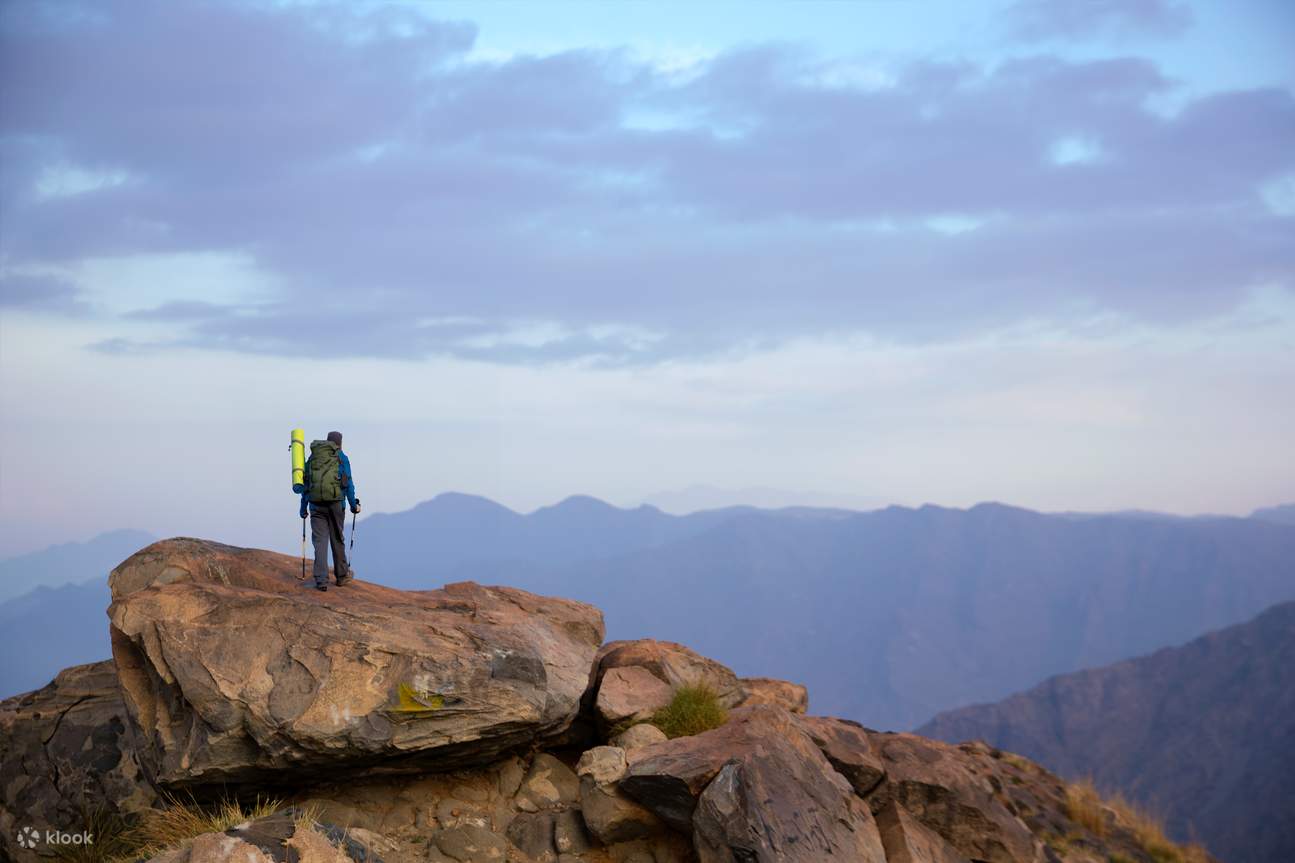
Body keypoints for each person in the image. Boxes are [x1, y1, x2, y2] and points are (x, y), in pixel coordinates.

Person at [298, 430, 360, 591]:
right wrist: (354, 505)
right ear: (340, 443)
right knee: (337, 539)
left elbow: (306, 483)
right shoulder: (342, 458)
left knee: (320, 542)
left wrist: (303, 507)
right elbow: (348, 484)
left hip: (315, 504)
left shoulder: (313, 458)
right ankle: (341, 576)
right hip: (336, 504)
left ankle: (321, 580)